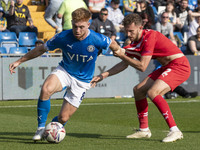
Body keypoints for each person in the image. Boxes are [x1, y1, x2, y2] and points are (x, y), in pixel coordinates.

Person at [9, 7, 121, 142]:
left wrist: (123, 53)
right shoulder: (63, 36)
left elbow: (116, 47)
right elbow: (41, 49)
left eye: (81, 27)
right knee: (46, 89)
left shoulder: (98, 39)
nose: (77, 30)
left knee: (63, 118)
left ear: (88, 24)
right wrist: (19, 61)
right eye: (75, 26)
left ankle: (53, 128)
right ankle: (40, 129)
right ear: (71, 23)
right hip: (65, 71)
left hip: (82, 81)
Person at [91, 13, 190, 143]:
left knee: (153, 92)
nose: (128, 34)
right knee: (138, 90)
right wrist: (103, 75)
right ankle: (144, 130)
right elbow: (124, 63)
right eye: (126, 31)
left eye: (131, 31)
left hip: (179, 66)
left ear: (140, 27)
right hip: (167, 66)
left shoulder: (150, 36)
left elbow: (142, 66)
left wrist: (121, 54)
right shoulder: (136, 42)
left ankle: (175, 130)